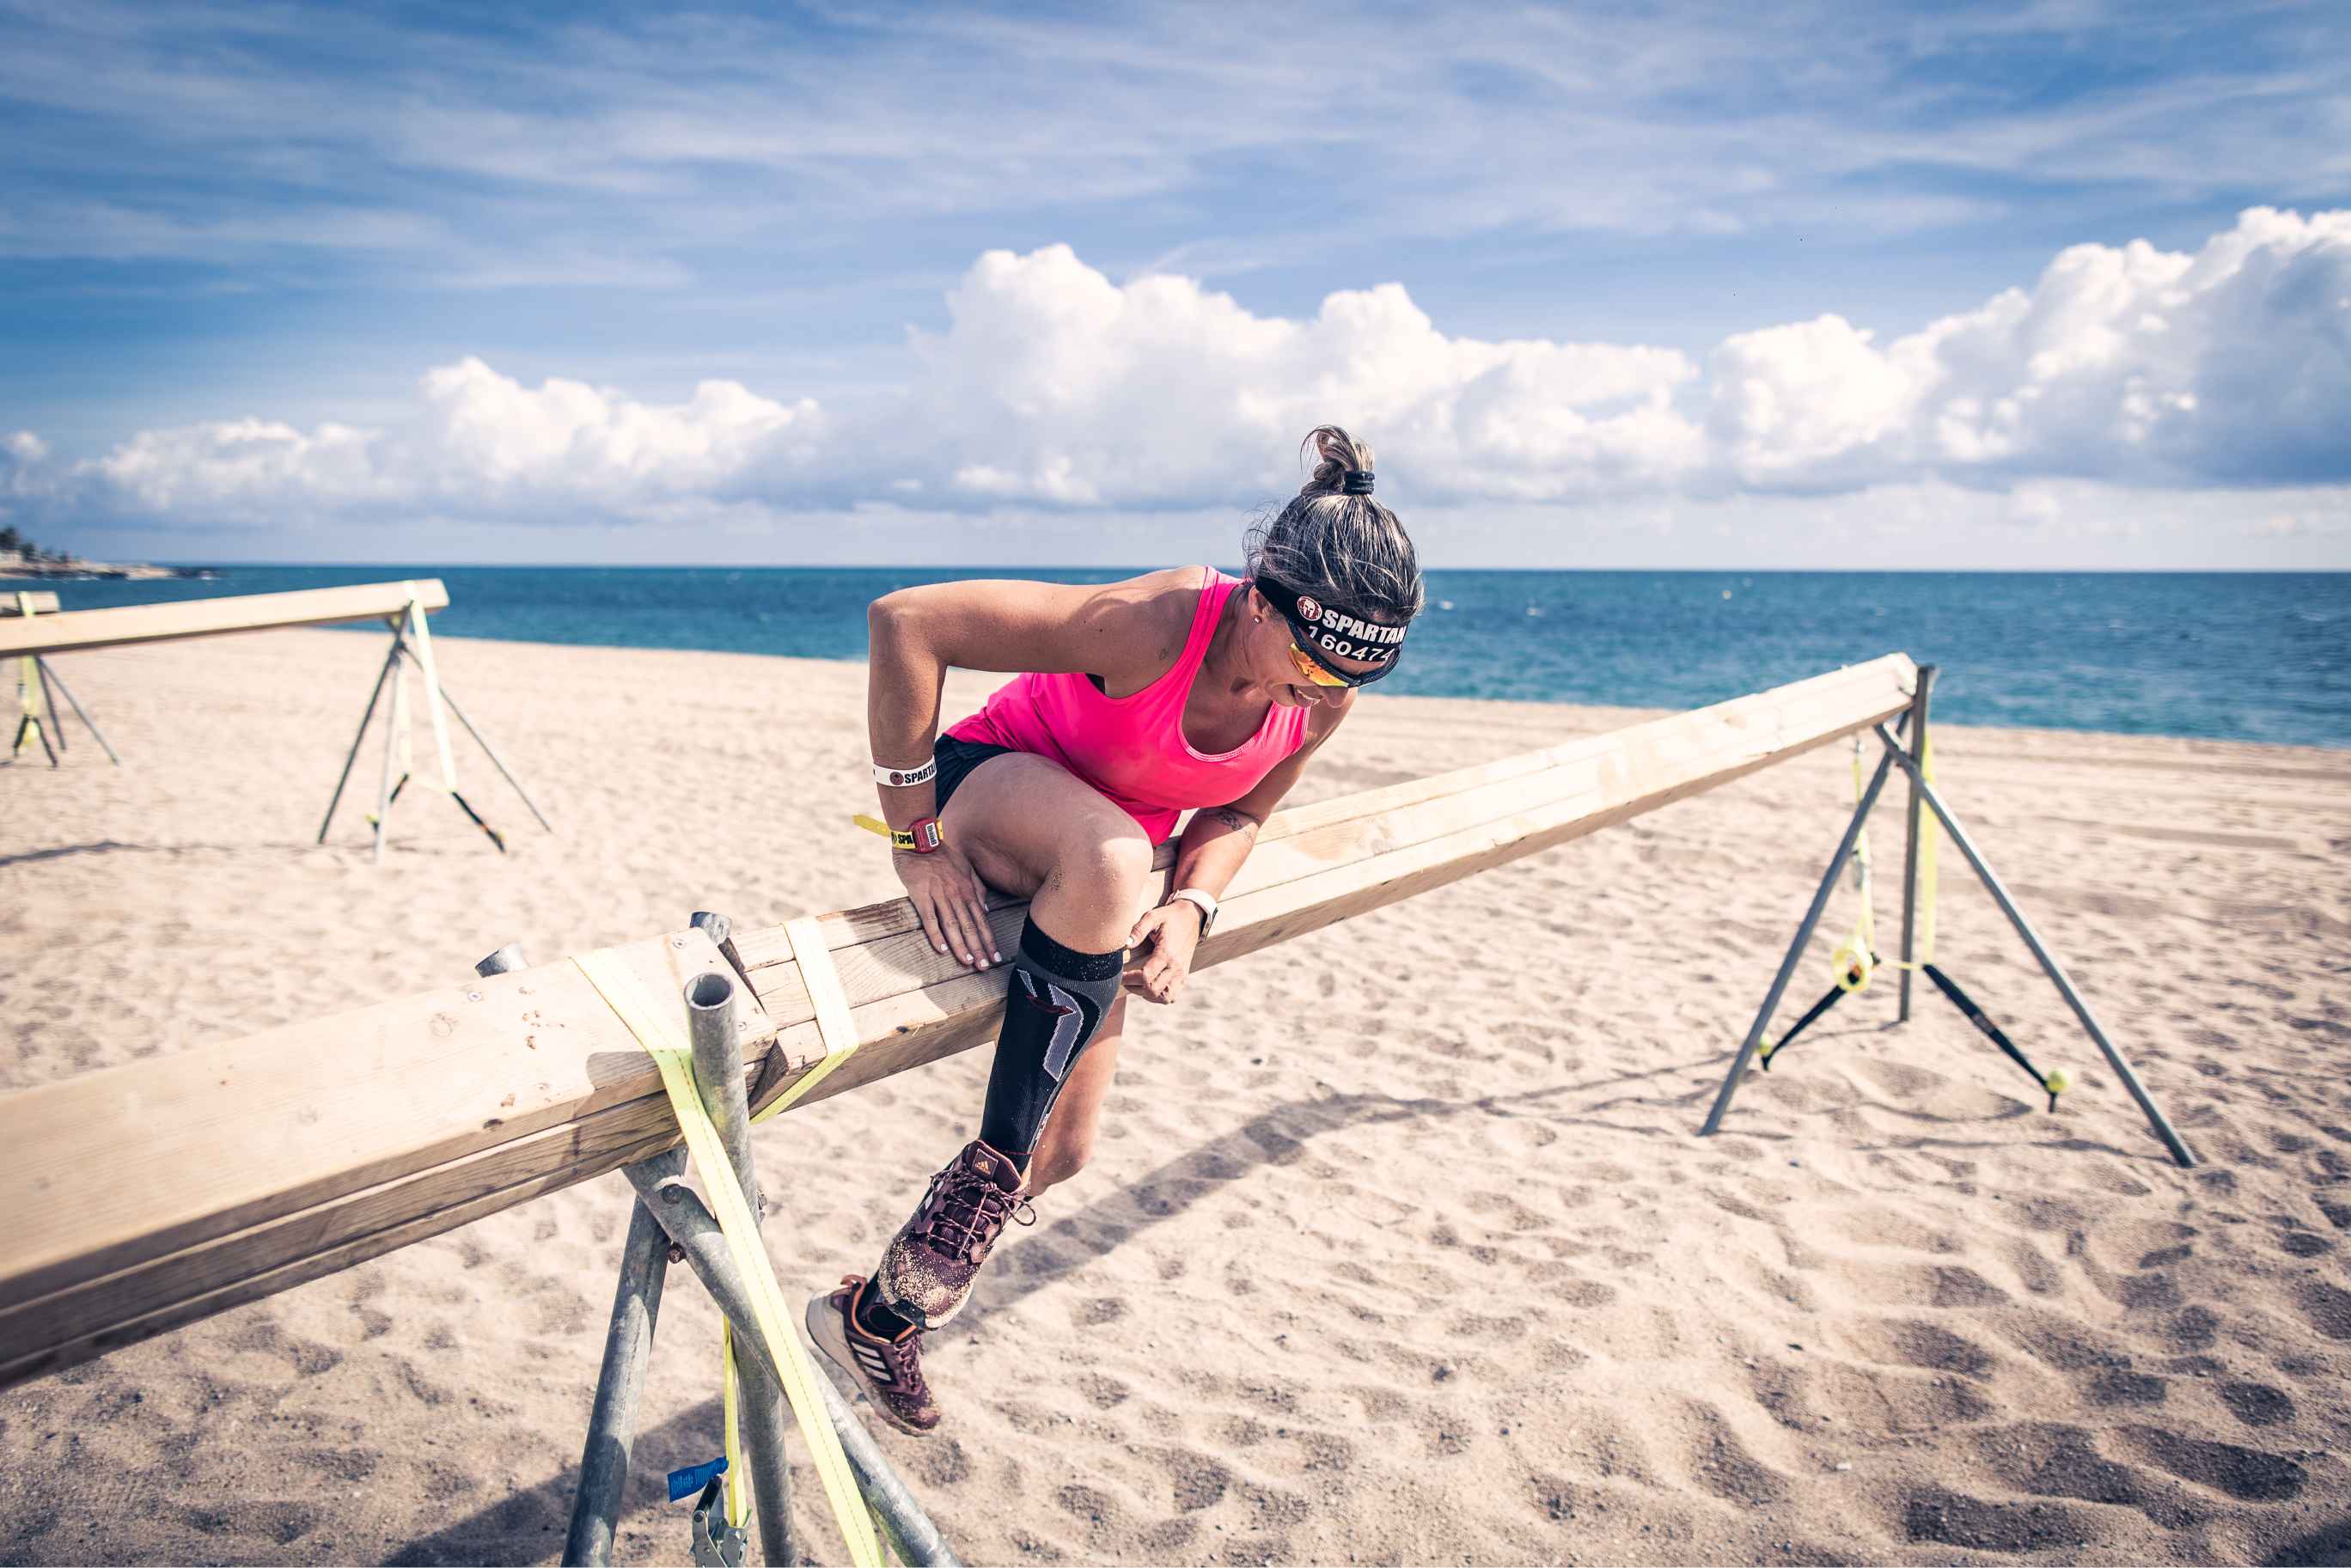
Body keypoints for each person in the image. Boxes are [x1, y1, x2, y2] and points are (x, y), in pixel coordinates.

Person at [805, 425, 1424, 1433]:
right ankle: (970, 1209)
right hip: (993, 794)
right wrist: (913, 835)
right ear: (1259, 601)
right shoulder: (1150, 624)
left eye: (1346, 676)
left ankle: (873, 1315)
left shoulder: (1326, 693)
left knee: (1070, 1148)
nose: (1321, 691)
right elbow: (906, 621)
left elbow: (1239, 812)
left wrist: (1194, 904)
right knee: (1113, 857)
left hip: (1114, 871)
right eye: (1310, 662)